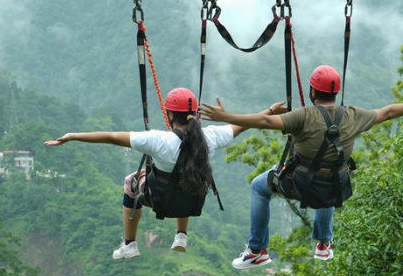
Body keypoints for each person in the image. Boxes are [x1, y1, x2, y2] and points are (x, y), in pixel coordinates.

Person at [201, 65, 403, 268]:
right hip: (336, 188)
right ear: (336, 92)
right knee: (331, 175)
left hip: (298, 185)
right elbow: (388, 112)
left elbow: (265, 121)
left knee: (258, 187)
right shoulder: (353, 115)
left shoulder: (303, 116)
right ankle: (324, 244)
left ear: (313, 90)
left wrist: (227, 117)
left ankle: (257, 251)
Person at [45, 87, 286, 259]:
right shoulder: (210, 137)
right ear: (196, 115)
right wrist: (268, 111)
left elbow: (110, 136)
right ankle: (181, 235)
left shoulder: (158, 141)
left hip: (160, 199)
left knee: (131, 181)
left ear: (170, 115)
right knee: (190, 179)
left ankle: (129, 243)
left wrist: (73, 136)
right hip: (191, 202)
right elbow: (242, 125)